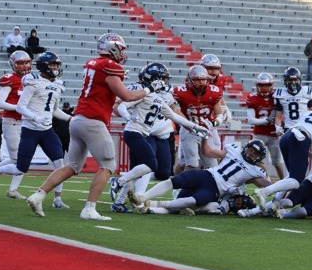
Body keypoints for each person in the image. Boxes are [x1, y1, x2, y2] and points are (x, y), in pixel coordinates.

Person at [25, 33, 154, 220]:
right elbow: (127, 96)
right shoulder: (110, 66)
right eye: (121, 48)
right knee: (108, 165)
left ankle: (38, 195)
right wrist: (150, 88)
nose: (122, 52)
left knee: (72, 166)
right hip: (93, 120)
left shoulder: (94, 63)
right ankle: (89, 209)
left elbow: (104, 88)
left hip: (78, 119)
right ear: (112, 47)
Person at [107, 62, 208, 213]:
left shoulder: (159, 97)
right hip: (137, 132)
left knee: (157, 171)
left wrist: (195, 126)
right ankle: (124, 186)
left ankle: (119, 201)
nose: (165, 82)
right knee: (149, 165)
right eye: (163, 79)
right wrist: (127, 116)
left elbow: (173, 115)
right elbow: (120, 106)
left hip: (151, 133)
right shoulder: (141, 91)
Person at [0, 52, 71, 209]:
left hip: (47, 130)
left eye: (57, 65)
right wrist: (35, 117)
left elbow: (54, 109)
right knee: (20, 167)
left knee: (60, 163)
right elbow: (20, 106)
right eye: (52, 65)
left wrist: (71, 118)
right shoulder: (32, 81)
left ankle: (57, 199)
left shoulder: (57, 84)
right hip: (29, 128)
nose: (56, 68)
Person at [129, 139, 272, 214]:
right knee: (173, 181)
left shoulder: (255, 171)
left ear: (259, 158)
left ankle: (153, 207)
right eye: (251, 150)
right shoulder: (233, 150)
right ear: (246, 147)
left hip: (215, 189)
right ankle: (142, 198)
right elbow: (207, 151)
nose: (251, 154)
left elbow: (268, 186)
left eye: (255, 154)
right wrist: (204, 137)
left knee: (190, 201)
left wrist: (282, 186)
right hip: (206, 174)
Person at [0, 50, 33, 199]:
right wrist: (19, 108)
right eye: (21, 63)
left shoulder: (32, 79)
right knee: (17, 158)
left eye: (27, 62)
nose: (25, 66)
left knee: (22, 158)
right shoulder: (11, 79)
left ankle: (12, 189)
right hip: (12, 122)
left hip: (26, 123)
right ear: (13, 64)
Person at [173, 65, 224, 171]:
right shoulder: (181, 92)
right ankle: (178, 182)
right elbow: (172, 108)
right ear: (190, 80)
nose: (201, 83)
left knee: (213, 166)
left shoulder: (214, 92)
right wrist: (186, 123)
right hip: (189, 130)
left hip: (205, 131)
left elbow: (219, 114)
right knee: (192, 164)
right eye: (197, 80)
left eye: (203, 79)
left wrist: (214, 123)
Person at [246, 73, 286, 180]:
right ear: (257, 85)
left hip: (274, 135)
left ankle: (283, 182)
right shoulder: (253, 98)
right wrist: (266, 120)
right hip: (259, 134)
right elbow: (251, 120)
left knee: (277, 162)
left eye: (267, 85)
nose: (264, 87)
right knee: (254, 158)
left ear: (271, 85)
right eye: (261, 85)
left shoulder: (277, 97)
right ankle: (268, 180)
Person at [273, 67, 312, 131]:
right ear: (285, 81)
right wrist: (278, 128)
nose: (293, 82)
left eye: (295, 80)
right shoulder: (280, 95)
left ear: (299, 80)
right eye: (290, 80)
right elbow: (278, 116)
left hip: (304, 128)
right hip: (288, 128)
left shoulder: (305, 92)